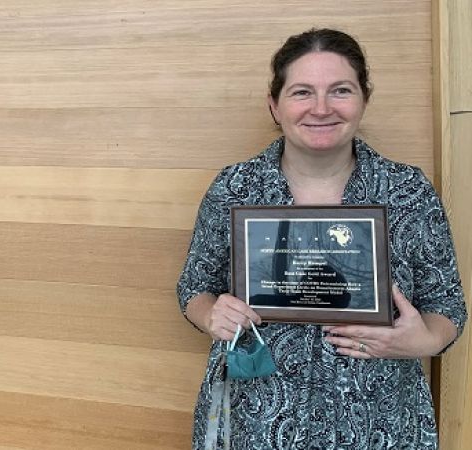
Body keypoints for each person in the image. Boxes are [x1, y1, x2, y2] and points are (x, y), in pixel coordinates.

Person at [176, 29, 466, 449]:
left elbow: (447, 305)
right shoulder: (235, 187)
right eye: (301, 93)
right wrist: (210, 316)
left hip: (378, 422)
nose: (321, 108)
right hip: (257, 420)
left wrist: (426, 341)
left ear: (364, 98)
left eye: (340, 90)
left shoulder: (407, 191)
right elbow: (193, 287)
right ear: (274, 105)